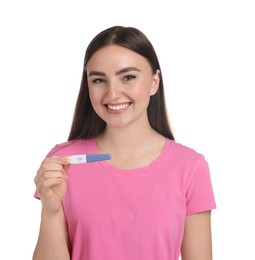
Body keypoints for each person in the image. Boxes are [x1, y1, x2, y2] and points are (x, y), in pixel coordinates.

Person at [33, 26, 216, 260]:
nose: (113, 94)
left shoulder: (190, 167)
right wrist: (50, 213)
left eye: (128, 77)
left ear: (154, 81)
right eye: (99, 80)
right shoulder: (64, 162)